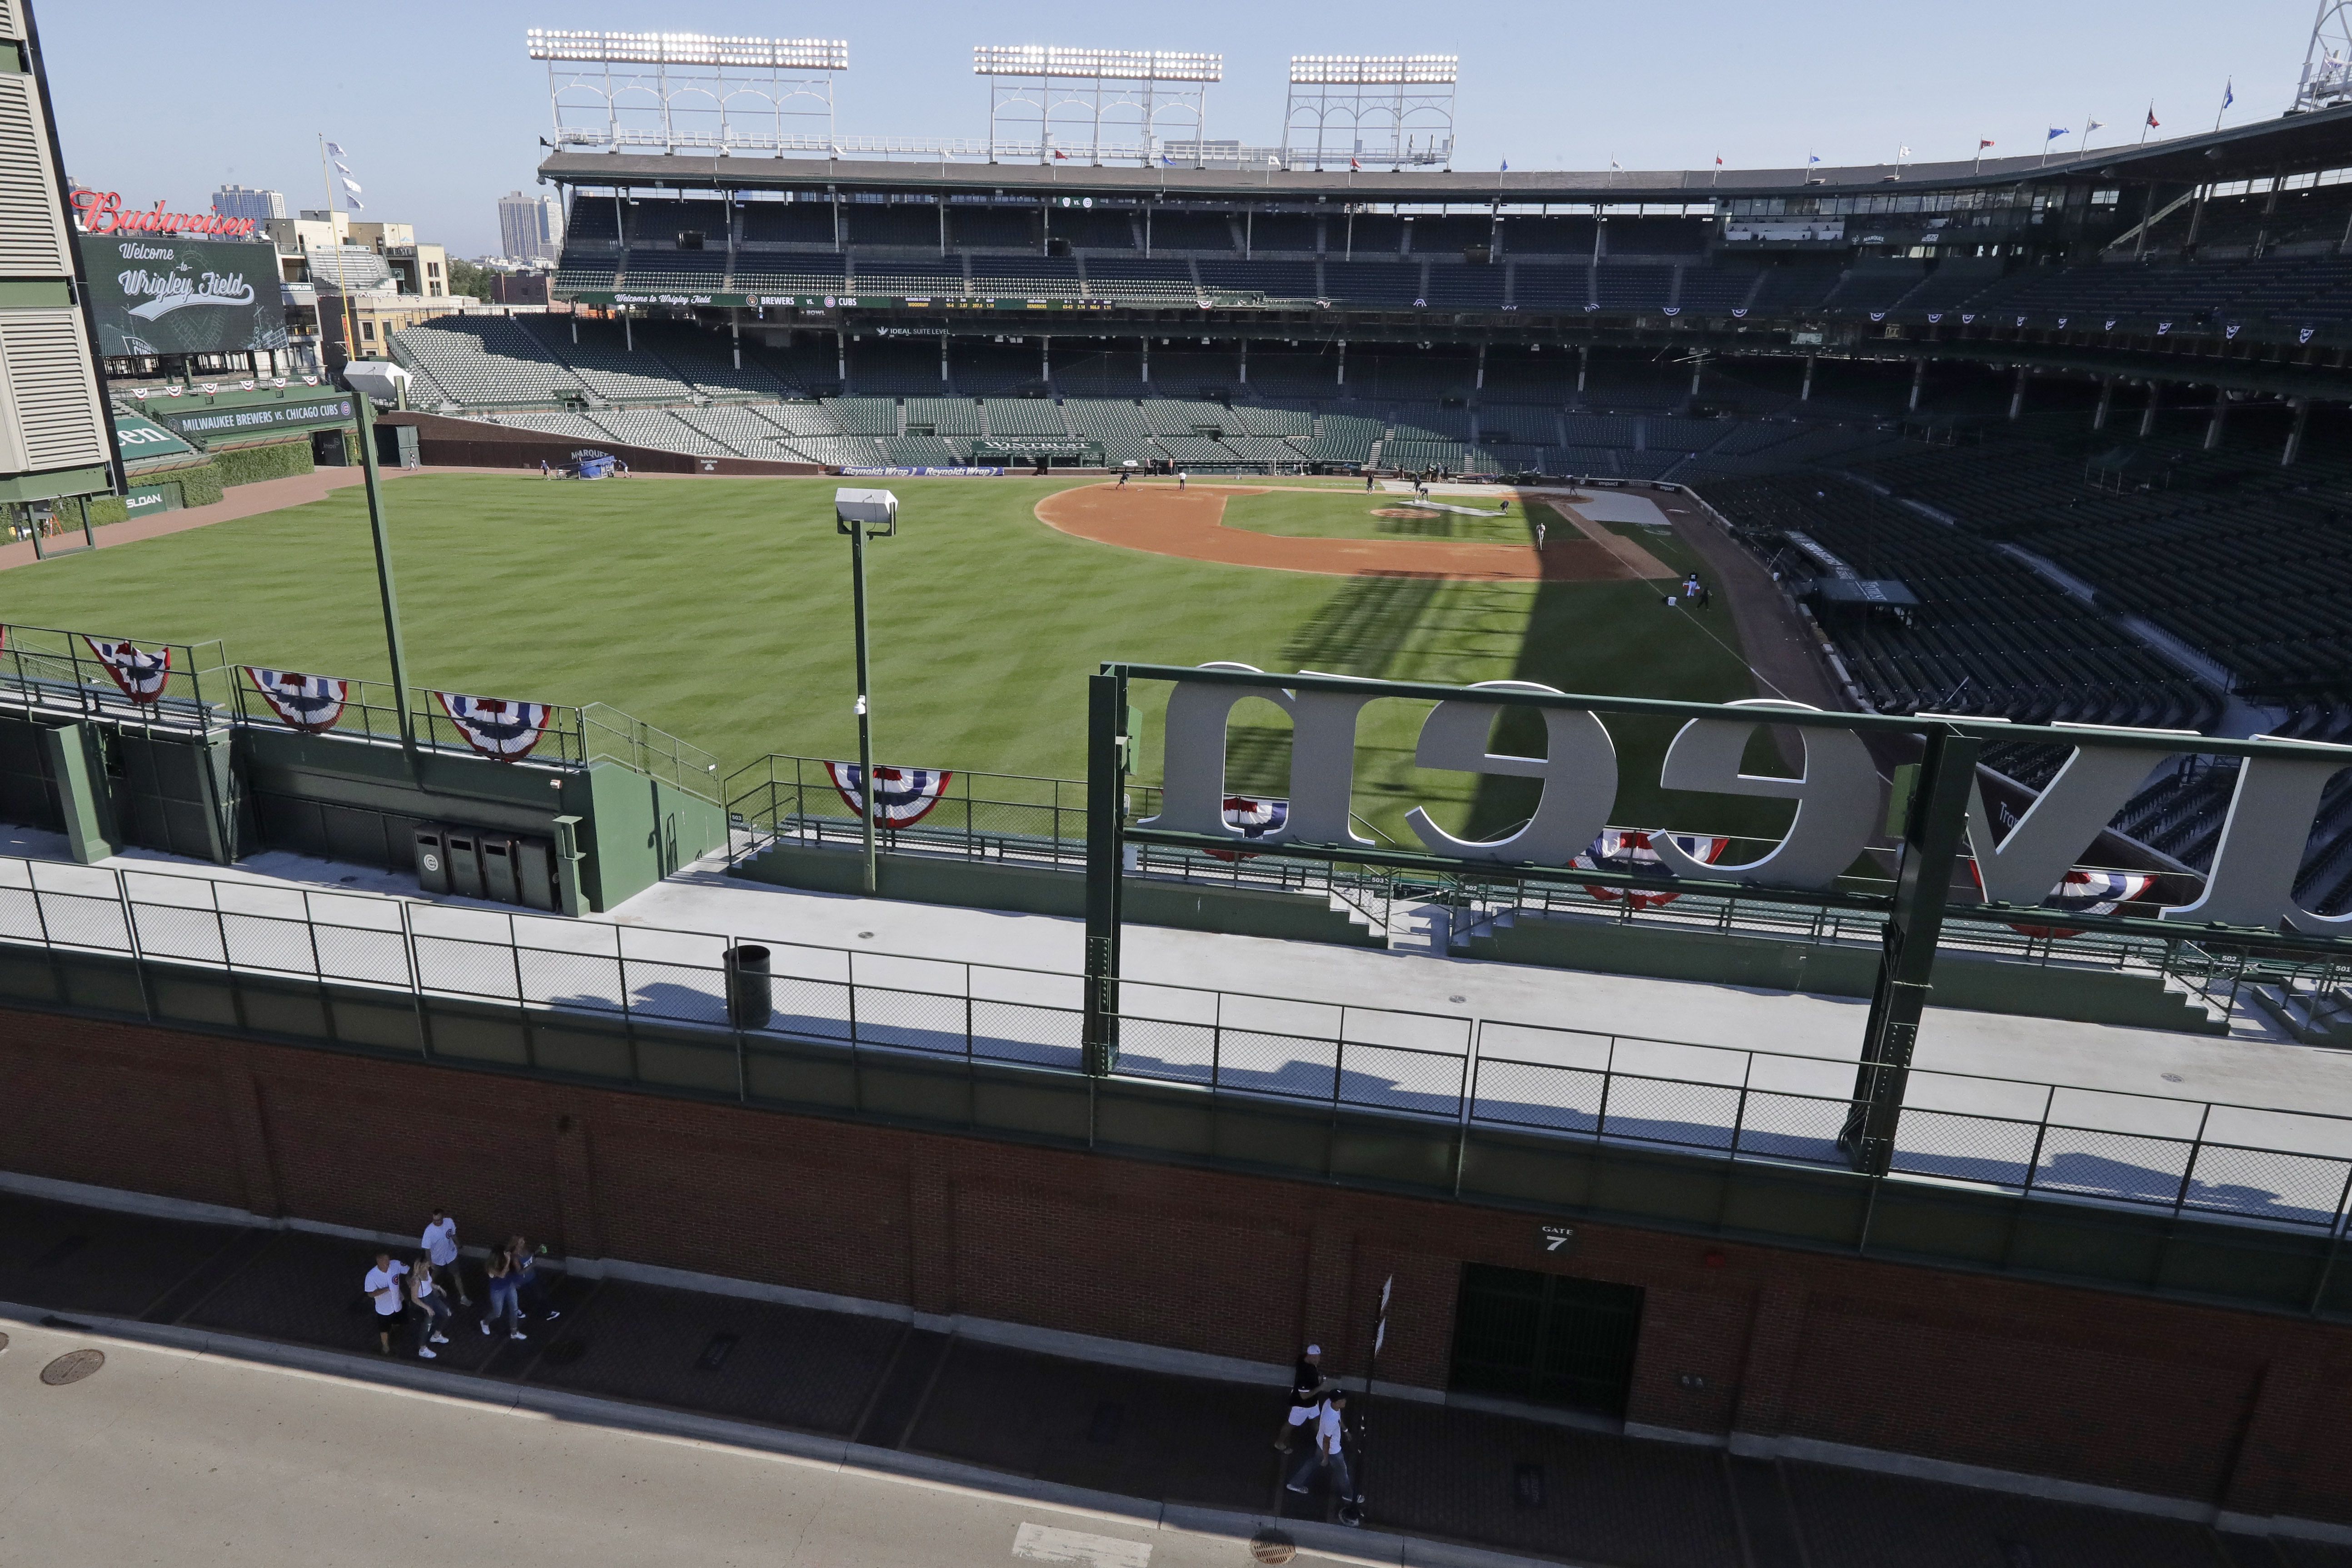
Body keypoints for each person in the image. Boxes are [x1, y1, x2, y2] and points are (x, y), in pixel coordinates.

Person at [1286, 1389, 1356, 1505]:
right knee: (1342, 1471)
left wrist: (1345, 1430)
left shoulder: (1329, 1403)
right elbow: (1327, 1441)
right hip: (1333, 1450)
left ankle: (1295, 1483)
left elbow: (1339, 1419)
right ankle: (1348, 1495)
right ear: (1337, 1402)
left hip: (1321, 1441)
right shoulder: (1330, 1420)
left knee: (1313, 1462)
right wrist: (1326, 1457)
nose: (1345, 1401)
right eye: (1343, 1400)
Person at [1276, 1343, 1326, 1453]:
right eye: (1315, 1358)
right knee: (1291, 1424)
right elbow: (1304, 1396)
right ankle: (1279, 1443)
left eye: (1319, 1357)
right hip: (1302, 1405)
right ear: (1310, 1356)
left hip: (1313, 1402)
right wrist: (1320, 1387)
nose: (1318, 1360)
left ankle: (1322, 1442)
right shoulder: (1305, 1374)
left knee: (1316, 1419)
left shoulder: (1303, 1359)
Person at [364, 1252, 410, 1355]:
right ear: (379, 1262)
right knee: (384, 1329)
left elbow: (409, 1271)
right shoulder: (371, 1276)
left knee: (399, 1321)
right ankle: (385, 1346)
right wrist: (385, 1290)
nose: (388, 1264)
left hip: (398, 1303)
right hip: (384, 1308)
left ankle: (395, 1332)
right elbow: (370, 1294)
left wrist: (410, 1280)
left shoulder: (395, 1265)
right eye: (385, 1262)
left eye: (388, 1261)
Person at [421, 1207, 469, 1306]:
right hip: (437, 1258)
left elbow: (453, 1235)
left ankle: (463, 1297)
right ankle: (433, 1289)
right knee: (435, 1274)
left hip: (450, 1255)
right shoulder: (429, 1232)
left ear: (443, 1217)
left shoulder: (449, 1222)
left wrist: (459, 1244)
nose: (436, 1222)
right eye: (434, 1220)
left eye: (439, 1220)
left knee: (457, 1275)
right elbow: (427, 1249)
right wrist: (430, 1262)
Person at [408, 1252, 452, 1359]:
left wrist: (438, 1287)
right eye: (427, 1264)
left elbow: (429, 1283)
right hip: (424, 1301)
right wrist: (427, 1307)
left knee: (447, 1313)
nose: (429, 1266)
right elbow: (414, 1298)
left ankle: (436, 1336)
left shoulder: (426, 1272)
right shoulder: (416, 1280)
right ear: (422, 1265)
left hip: (431, 1296)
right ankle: (422, 1349)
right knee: (427, 1324)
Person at [481, 1240, 525, 1340]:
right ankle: (485, 1322)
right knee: (498, 1313)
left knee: (514, 1309)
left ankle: (514, 1332)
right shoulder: (491, 1267)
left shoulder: (504, 1260)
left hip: (509, 1286)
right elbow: (502, 1275)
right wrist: (508, 1261)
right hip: (498, 1291)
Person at [510, 1234, 560, 1324]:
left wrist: (539, 1250)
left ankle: (547, 1311)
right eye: (521, 1242)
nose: (524, 1243)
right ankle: (547, 1313)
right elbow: (520, 1272)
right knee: (537, 1296)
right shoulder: (515, 1257)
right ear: (516, 1245)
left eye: (524, 1241)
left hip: (533, 1276)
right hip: (525, 1281)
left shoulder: (525, 1249)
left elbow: (531, 1255)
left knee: (539, 1294)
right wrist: (531, 1266)